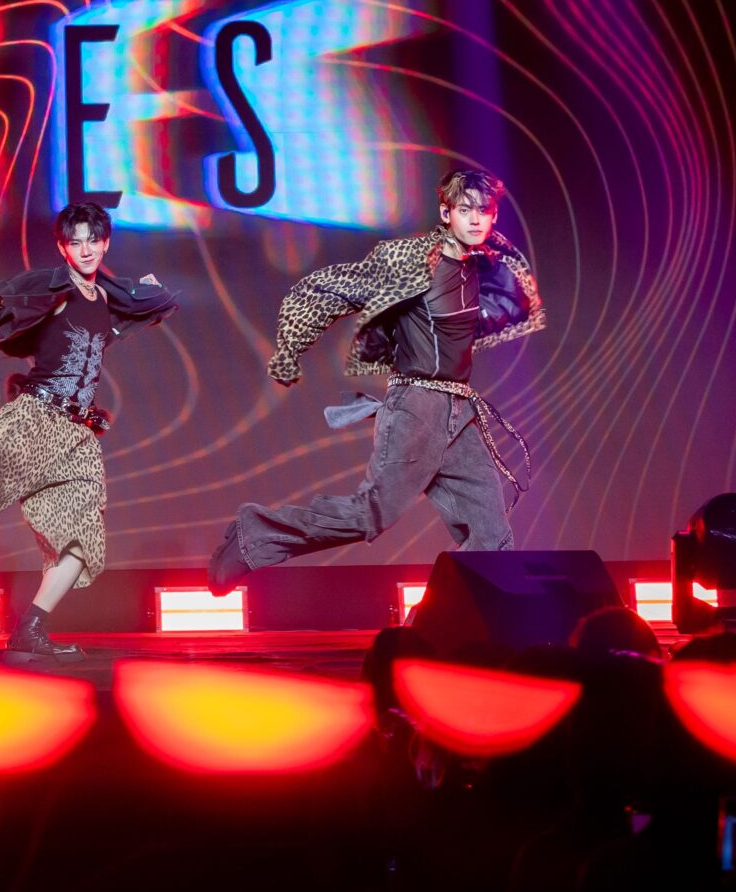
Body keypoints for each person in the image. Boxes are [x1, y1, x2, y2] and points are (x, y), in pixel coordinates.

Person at [208, 167, 544, 592]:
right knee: (371, 515)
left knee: (491, 533)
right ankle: (255, 535)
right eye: (465, 210)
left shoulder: (484, 268)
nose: (476, 219)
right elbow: (331, 290)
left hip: (460, 411)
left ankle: (453, 619)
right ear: (446, 213)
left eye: (484, 211)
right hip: (417, 407)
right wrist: (290, 350)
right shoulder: (409, 263)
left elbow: (503, 299)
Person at [0, 201, 177, 662]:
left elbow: (158, 303)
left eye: (94, 240)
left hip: (79, 435)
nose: (86, 250)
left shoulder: (109, 297)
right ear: (62, 247)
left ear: (106, 243)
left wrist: (147, 290)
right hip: (35, 420)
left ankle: (30, 628)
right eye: (76, 242)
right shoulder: (48, 289)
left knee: (85, 536)